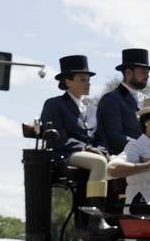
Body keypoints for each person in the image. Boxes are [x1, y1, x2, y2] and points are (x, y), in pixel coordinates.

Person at [38, 55, 110, 206]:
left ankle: (111, 215)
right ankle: (94, 216)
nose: (88, 83)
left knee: (117, 163)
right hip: (65, 154)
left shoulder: (92, 109)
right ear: (68, 81)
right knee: (99, 163)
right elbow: (57, 138)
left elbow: (101, 136)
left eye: (89, 80)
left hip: (92, 154)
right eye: (83, 79)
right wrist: (86, 148)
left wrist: (101, 149)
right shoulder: (54, 104)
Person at [95, 48, 150, 154]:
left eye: (148, 72)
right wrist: (143, 148)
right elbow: (114, 136)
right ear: (128, 73)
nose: (147, 76)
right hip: (124, 158)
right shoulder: (111, 99)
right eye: (143, 72)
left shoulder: (147, 100)